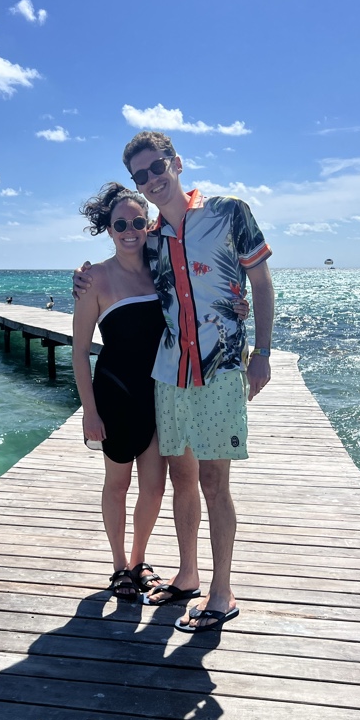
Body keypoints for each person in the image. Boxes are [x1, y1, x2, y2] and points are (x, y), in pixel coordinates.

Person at [74, 131, 274, 633]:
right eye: (140, 174)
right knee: (183, 479)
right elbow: (128, 272)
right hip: (170, 376)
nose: (151, 179)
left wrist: (262, 353)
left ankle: (221, 592)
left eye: (157, 167)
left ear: (176, 163)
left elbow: (260, 282)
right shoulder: (154, 238)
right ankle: (188, 577)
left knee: (214, 483)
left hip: (221, 368)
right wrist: (83, 278)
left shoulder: (229, 212)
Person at [72, 182, 168, 600]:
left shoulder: (162, 270)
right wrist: (89, 411)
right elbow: (79, 352)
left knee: (155, 487)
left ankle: (138, 561)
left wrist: (237, 306)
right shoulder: (93, 278)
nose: (130, 231)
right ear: (109, 230)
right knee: (117, 484)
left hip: (161, 393)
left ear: (148, 225)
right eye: (121, 224)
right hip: (115, 393)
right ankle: (118, 567)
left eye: (137, 222)